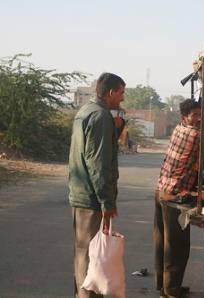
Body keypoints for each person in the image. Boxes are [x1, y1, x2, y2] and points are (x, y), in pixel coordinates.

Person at [154, 99, 204, 298]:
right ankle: (171, 290)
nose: (199, 118)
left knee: (161, 240)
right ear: (185, 117)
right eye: (195, 115)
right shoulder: (196, 134)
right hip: (174, 195)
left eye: (201, 114)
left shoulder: (178, 128)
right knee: (177, 244)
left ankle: (164, 286)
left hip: (161, 189)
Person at [68, 72, 125, 298]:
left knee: (83, 252)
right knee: (92, 255)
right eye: (121, 93)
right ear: (111, 92)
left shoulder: (85, 112)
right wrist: (106, 201)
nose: (122, 98)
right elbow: (98, 164)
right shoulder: (100, 117)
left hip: (81, 193)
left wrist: (116, 130)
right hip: (91, 197)